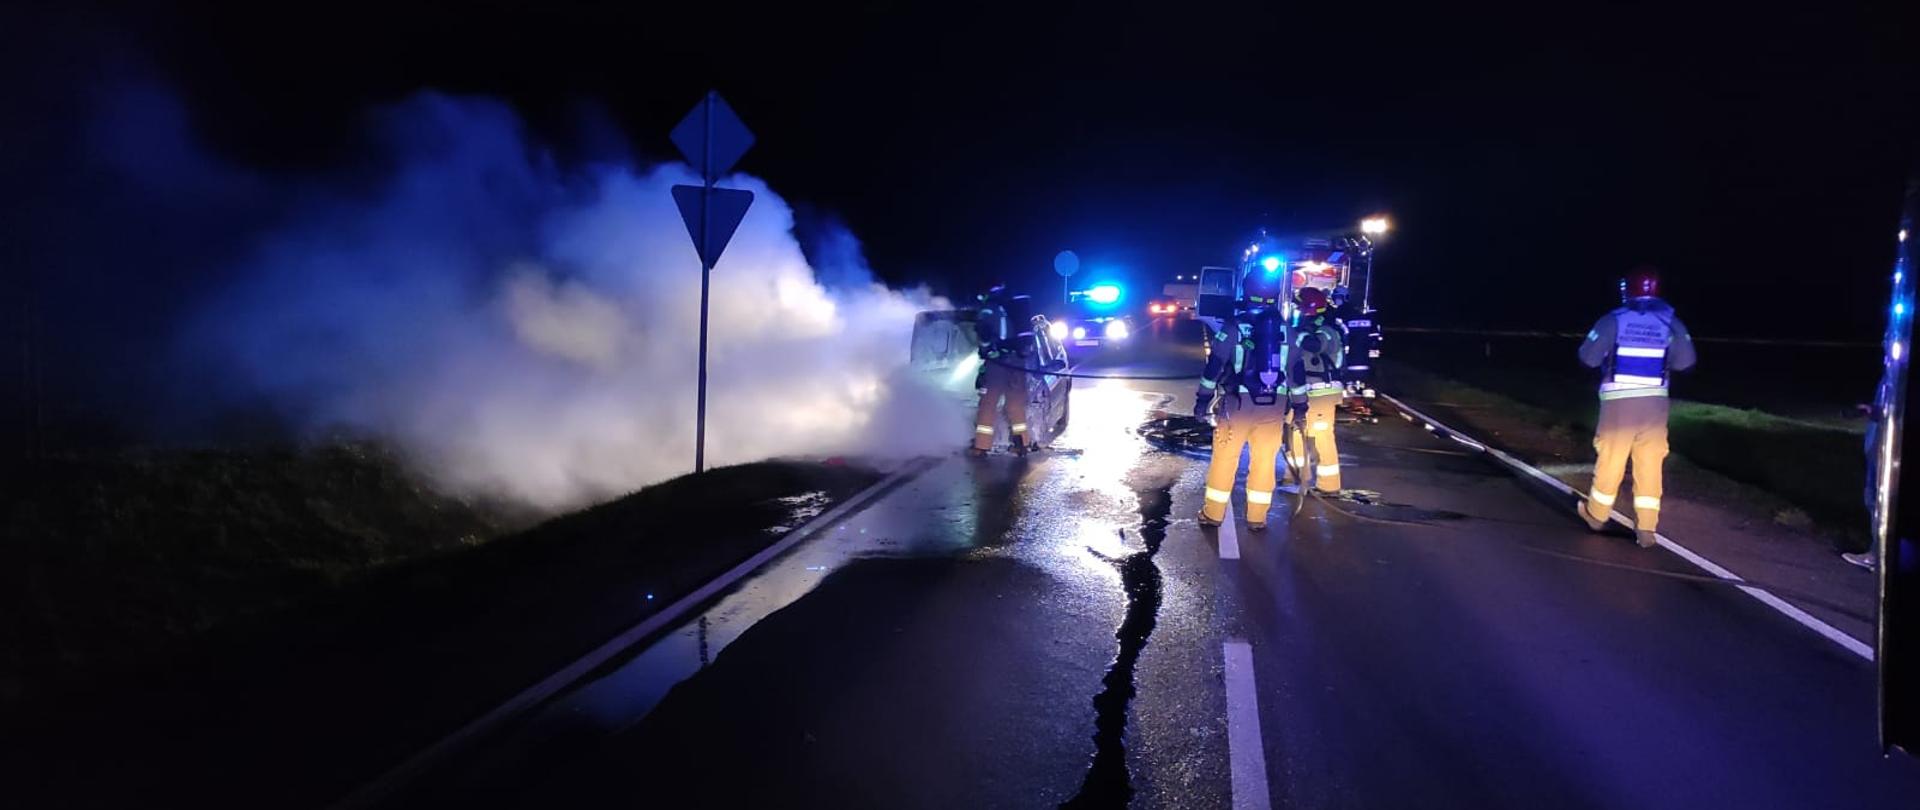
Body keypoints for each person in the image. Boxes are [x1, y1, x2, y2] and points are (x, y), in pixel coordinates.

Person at [1576, 265, 1697, 547]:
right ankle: (1646, 530)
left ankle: (1597, 514)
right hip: (1655, 406)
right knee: (1650, 463)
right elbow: (1686, 362)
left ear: (1627, 290)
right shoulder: (1671, 322)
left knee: (1611, 459)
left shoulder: (1613, 320)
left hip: (1619, 404)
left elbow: (1588, 358)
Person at [1197, 264, 1291, 530]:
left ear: (1246, 291)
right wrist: (1299, 407)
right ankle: (1257, 519)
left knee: (1225, 459)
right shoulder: (1285, 330)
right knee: (1264, 462)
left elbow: (1214, 366)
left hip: (1237, 405)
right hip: (1274, 406)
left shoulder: (1234, 327)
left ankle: (1213, 514)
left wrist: (1203, 401)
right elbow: (1296, 370)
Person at [1286, 286, 1347, 493]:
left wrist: (1295, 332)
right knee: (1295, 432)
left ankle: (1329, 486)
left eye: (1300, 308)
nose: (1298, 311)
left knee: (1322, 437)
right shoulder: (1308, 328)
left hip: (1322, 393)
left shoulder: (1327, 330)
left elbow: (1314, 346)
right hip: (1304, 393)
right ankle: (1297, 478)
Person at [971, 285, 1036, 457]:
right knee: (1015, 405)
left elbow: (983, 332)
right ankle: (1022, 444)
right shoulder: (1010, 308)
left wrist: (985, 350)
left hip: (999, 362)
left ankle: (981, 446)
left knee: (988, 403)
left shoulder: (988, 309)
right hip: (1017, 363)